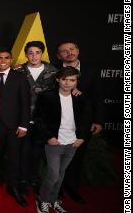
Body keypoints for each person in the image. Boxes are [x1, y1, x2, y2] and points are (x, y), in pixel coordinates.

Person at [34, 66, 91, 213]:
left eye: (72, 80)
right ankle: (42, 200)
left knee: (61, 175)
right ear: (58, 79)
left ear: (76, 81)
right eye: (64, 79)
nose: (67, 83)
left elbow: (86, 120)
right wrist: (49, 137)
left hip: (72, 143)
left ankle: (53, 200)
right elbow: (38, 119)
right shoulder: (46, 96)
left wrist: (82, 138)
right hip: (55, 142)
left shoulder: (80, 97)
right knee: (53, 175)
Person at [55, 41, 104, 204]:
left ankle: (72, 187)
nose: (69, 53)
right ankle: (58, 189)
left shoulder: (91, 71)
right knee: (57, 157)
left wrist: (98, 120)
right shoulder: (52, 70)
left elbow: (98, 97)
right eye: (64, 51)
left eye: (72, 49)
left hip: (83, 122)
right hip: (59, 121)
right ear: (59, 56)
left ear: (78, 50)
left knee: (77, 157)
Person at [0, 48, 30, 207]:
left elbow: (25, 103)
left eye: (6, 58)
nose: (3, 61)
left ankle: (14, 187)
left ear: (11, 60)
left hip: (14, 125)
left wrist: (24, 125)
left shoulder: (20, 77)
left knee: (14, 157)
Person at [15, 41, 57, 195]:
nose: (34, 56)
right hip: (23, 120)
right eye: (30, 53)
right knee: (23, 152)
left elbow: (63, 90)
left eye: (37, 52)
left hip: (43, 121)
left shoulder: (53, 71)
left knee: (38, 152)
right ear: (26, 54)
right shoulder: (19, 70)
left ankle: (35, 180)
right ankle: (23, 181)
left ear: (42, 53)